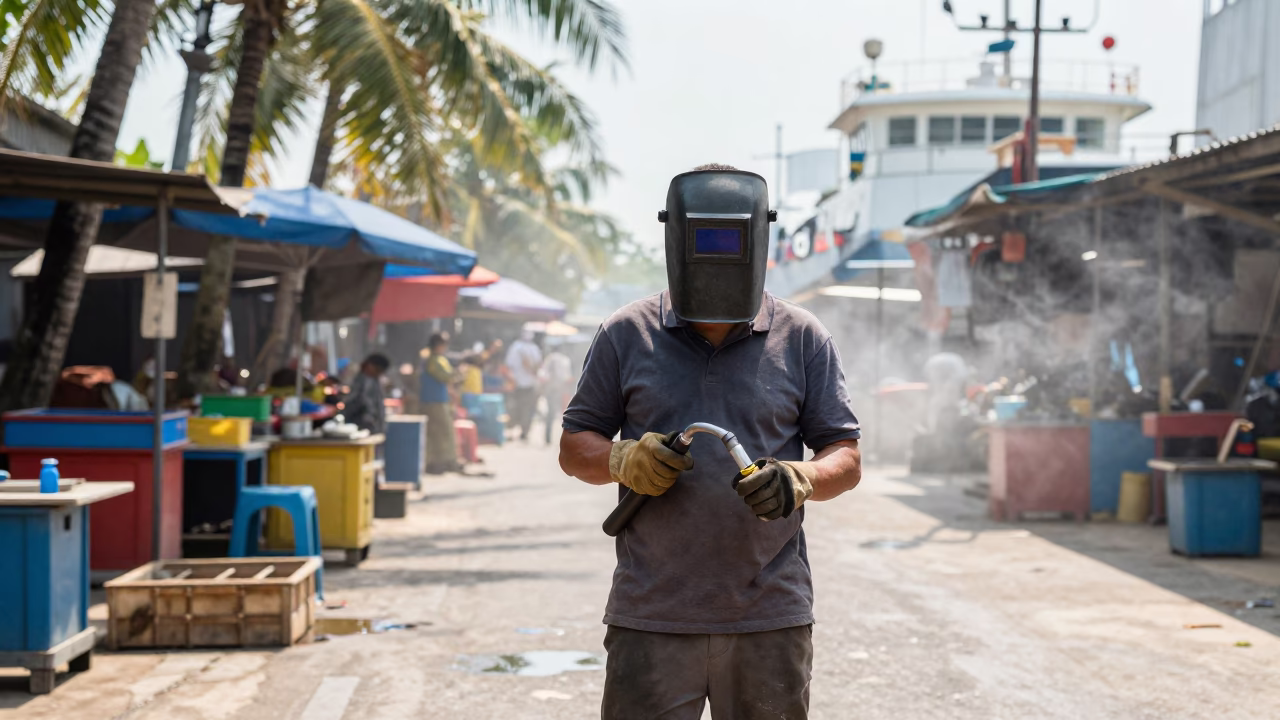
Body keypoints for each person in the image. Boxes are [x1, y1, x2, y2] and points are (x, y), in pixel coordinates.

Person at [559, 165, 862, 719]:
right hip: (652, 616)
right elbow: (574, 448)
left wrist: (802, 477)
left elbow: (845, 455)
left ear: (760, 238)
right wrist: (624, 459)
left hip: (768, 617)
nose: (719, 258)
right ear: (674, 237)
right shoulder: (626, 333)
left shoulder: (803, 337)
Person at [421, 332, 461, 474]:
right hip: (433, 401)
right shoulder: (433, 360)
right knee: (440, 433)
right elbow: (445, 376)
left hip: (440, 400)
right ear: (438, 345)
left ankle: (444, 461)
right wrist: (459, 372)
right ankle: (438, 462)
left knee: (444, 432)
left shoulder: (439, 359)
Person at [505, 328, 543, 441]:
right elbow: (538, 365)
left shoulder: (516, 347)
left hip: (519, 384)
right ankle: (522, 431)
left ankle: (516, 431)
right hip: (524, 384)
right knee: (524, 409)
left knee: (516, 408)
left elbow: (509, 365)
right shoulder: (533, 348)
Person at [341, 353, 390, 433]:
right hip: (360, 427)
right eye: (377, 370)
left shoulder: (374, 381)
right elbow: (353, 403)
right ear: (369, 366)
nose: (378, 374)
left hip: (372, 427)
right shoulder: (361, 381)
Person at [539, 340, 574, 445]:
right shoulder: (565, 359)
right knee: (563, 414)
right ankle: (566, 438)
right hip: (562, 389)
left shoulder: (550, 358)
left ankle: (548, 438)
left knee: (550, 414)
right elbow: (568, 377)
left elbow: (543, 374)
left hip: (551, 390)